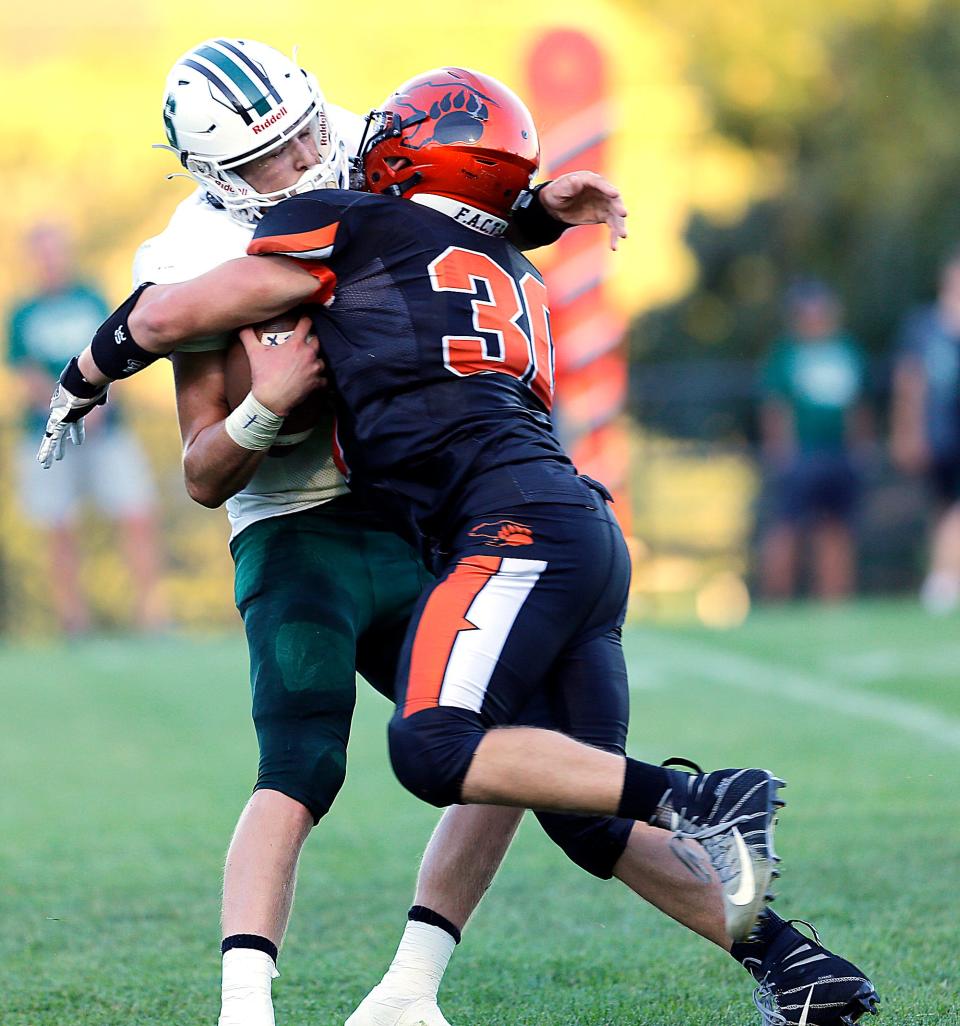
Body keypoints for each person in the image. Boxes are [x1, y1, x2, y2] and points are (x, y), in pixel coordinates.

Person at [44, 66, 879, 1026]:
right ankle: (248, 1009)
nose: (304, 161)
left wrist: (531, 204)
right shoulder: (195, 242)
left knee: (512, 758)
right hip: (311, 522)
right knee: (314, 759)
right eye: (266, 156)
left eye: (307, 135)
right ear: (206, 170)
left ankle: (421, 988)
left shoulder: (360, 162)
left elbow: (437, 216)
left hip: (422, 515)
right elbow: (199, 459)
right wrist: (269, 407)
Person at [6, 221, 165, 634]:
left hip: (107, 430)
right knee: (59, 527)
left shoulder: (92, 297)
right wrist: (67, 409)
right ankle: (73, 620)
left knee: (136, 513)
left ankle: (152, 613)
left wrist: (95, 406)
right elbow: (28, 376)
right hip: (47, 436)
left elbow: (117, 349)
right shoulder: (22, 313)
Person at [759, 280, 872, 601]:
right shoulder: (786, 353)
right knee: (787, 527)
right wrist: (781, 450)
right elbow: (776, 406)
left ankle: (834, 601)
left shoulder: (847, 349)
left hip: (839, 452)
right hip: (802, 453)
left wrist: (859, 446)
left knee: (836, 529)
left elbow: (857, 405)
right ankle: (777, 601)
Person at [891, 247, 960, 614]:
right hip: (940, 433)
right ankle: (943, 580)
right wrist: (907, 431)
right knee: (943, 508)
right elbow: (909, 382)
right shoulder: (926, 326)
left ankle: (943, 582)